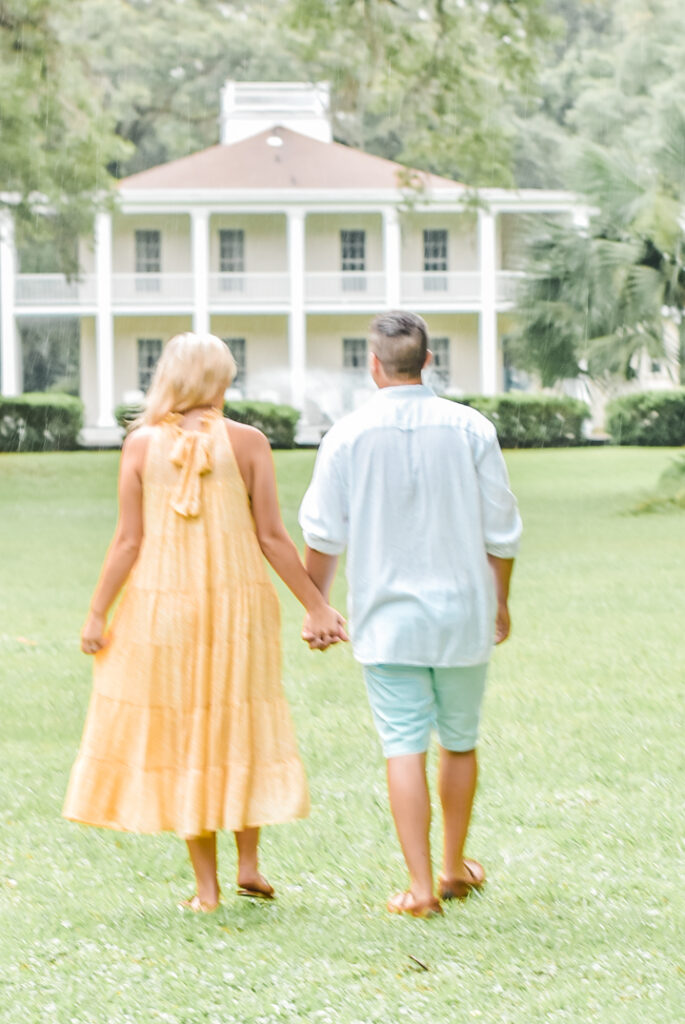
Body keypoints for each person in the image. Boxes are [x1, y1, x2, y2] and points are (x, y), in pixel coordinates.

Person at [63, 332, 347, 913]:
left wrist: (98, 613)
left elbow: (127, 541)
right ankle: (249, 865)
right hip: (238, 606)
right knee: (241, 721)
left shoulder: (140, 445)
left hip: (162, 609)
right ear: (219, 379)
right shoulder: (249, 443)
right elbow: (271, 537)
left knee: (187, 732)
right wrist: (315, 605)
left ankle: (207, 889)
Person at [299, 312, 522, 919]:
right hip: (461, 612)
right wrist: (499, 600)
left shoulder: (345, 435)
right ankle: (454, 868)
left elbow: (323, 534)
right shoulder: (472, 428)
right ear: (428, 362)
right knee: (460, 740)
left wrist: (317, 605)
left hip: (386, 616)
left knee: (403, 747)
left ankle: (420, 888)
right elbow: (501, 532)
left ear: (373, 365)